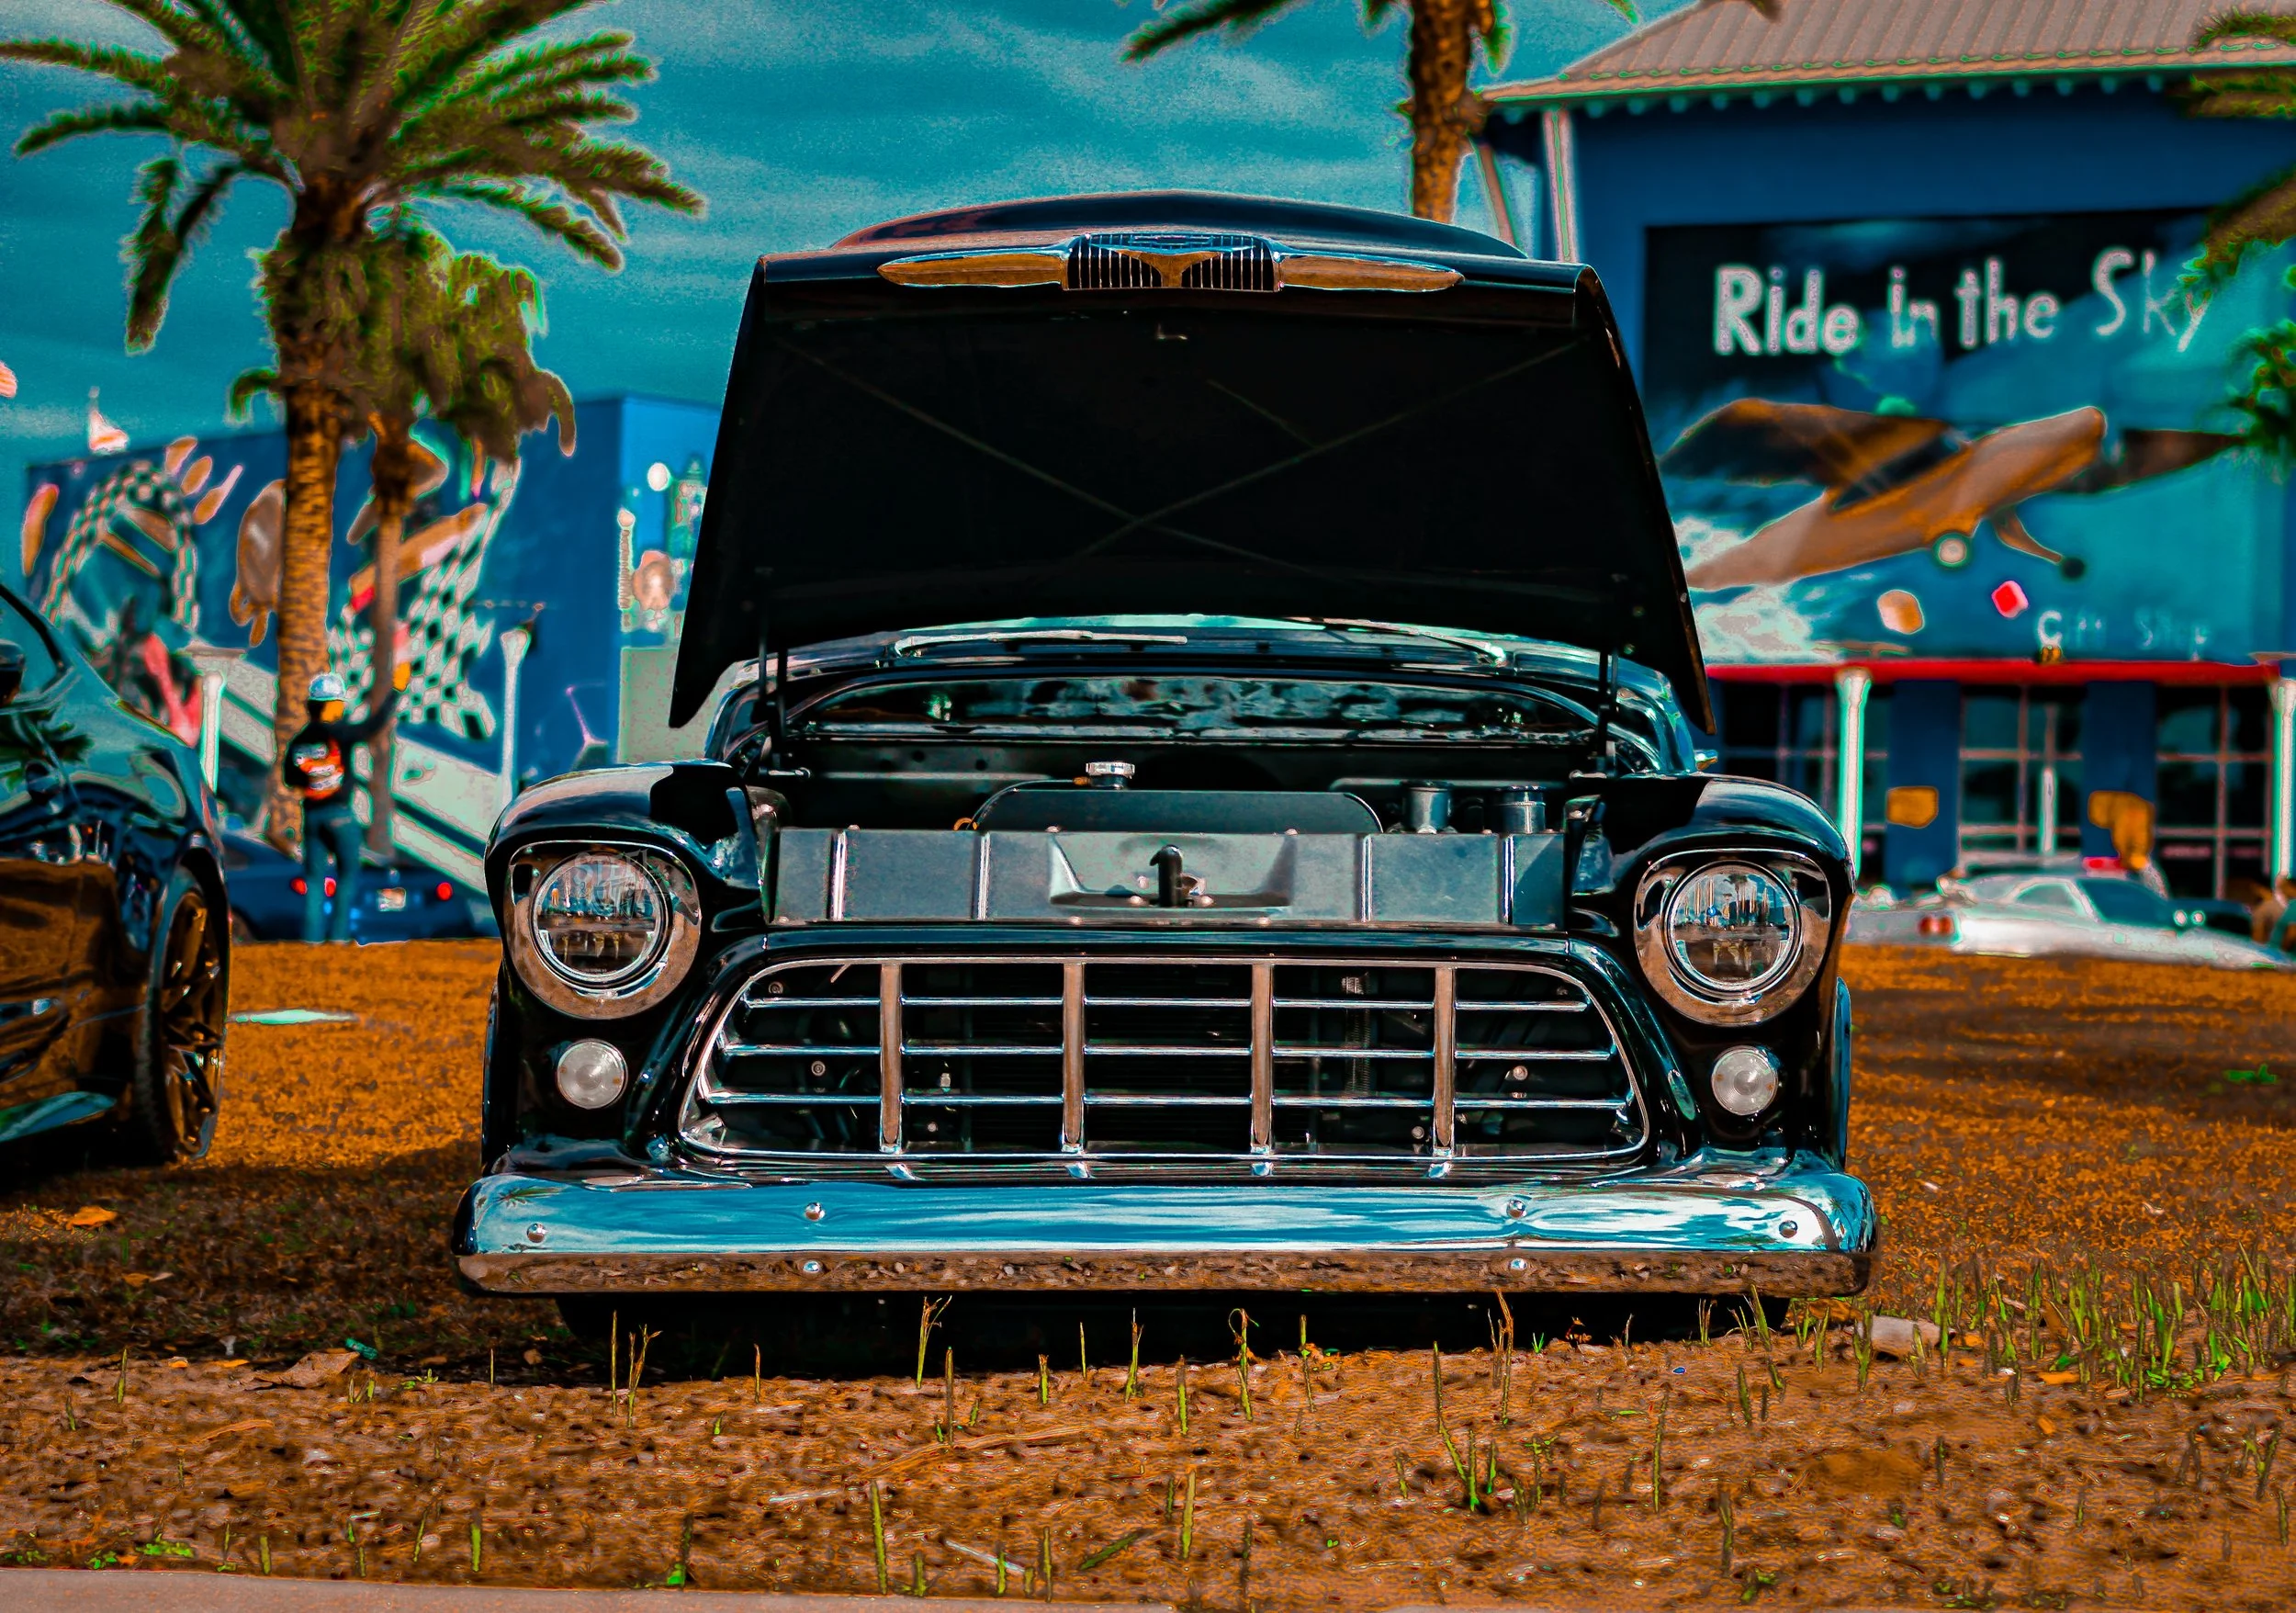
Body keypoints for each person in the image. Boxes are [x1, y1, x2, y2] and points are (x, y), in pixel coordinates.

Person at [281, 664, 406, 942]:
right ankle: (338, 938)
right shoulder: (341, 733)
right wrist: (395, 691)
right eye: (339, 702)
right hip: (339, 813)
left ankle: (311, 941)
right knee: (348, 873)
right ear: (332, 704)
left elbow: (290, 778)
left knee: (314, 880)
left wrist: (314, 780)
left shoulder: (299, 739)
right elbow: (373, 727)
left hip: (311, 815)